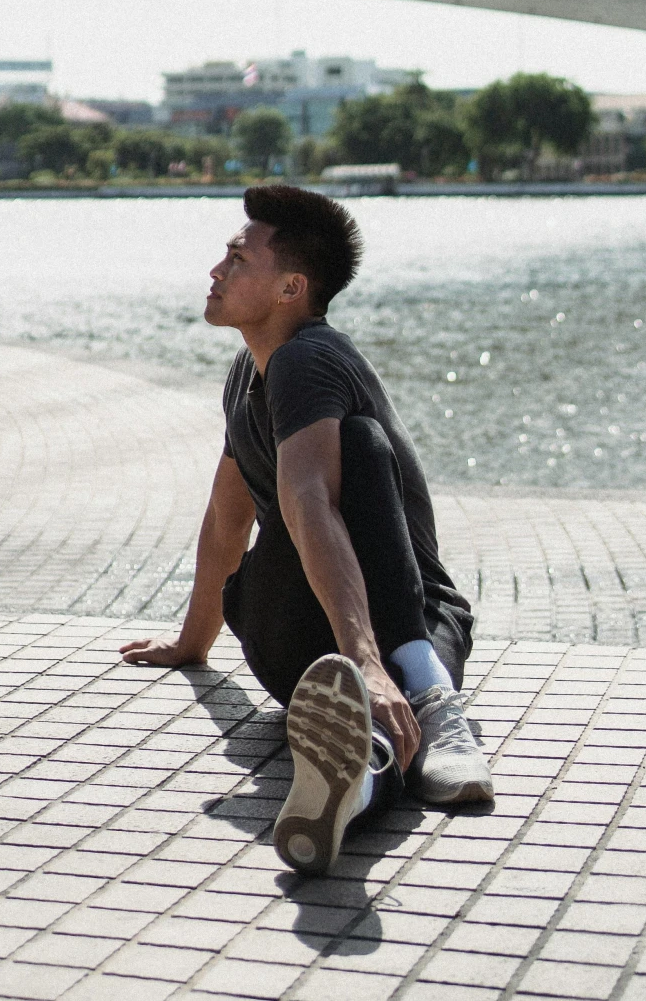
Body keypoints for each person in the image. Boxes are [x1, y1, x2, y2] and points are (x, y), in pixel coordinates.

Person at [121, 181, 493, 874]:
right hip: (313, 645)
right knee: (331, 467)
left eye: (237, 259)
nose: (215, 271)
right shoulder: (248, 372)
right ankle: (399, 708)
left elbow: (311, 502)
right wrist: (191, 642)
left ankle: (367, 767)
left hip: (399, 621)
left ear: (292, 287)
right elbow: (227, 517)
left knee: (355, 446)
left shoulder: (309, 357)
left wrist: (370, 663)